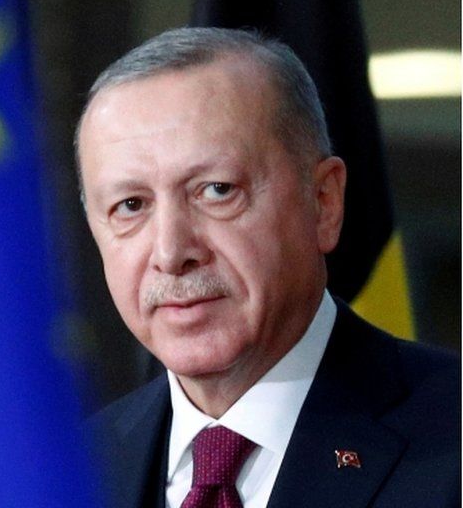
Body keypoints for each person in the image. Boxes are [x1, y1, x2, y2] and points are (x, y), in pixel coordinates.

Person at [76, 27, 460, 508]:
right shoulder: (64, 473)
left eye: (217, 190)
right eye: (131, 205)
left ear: (323, 202)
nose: (171, 253)